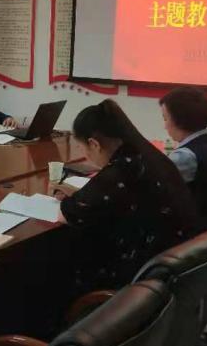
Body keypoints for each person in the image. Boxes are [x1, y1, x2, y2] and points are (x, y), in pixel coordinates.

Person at [51, 100, 199, 297]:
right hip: (175, 267)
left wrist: (71, 198)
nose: (85, 156)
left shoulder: (121, 170)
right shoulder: (146, 154)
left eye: (82, 148)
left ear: (94, 144)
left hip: (139, 280)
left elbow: (67, 214)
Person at [160, 86, 207, 229]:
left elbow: (154, 189)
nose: (165, 126)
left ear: (180, 119)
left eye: (165, 119)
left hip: (188, 231)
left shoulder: (185, 156)